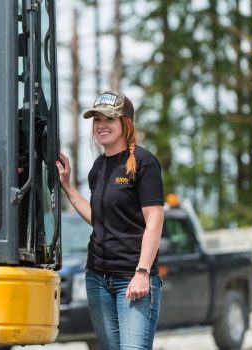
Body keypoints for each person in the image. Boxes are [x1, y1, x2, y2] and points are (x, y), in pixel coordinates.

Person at [56, 91, 164, 350]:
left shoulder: (144, 163)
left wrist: (142, 272)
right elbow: (100, 220)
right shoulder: (98, 167)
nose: (101, 125)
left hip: (132, 278)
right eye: (96, 120)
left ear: (126, 123)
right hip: (97, 277)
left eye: (109, 119)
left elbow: (155, 221)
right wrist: (68, 188)